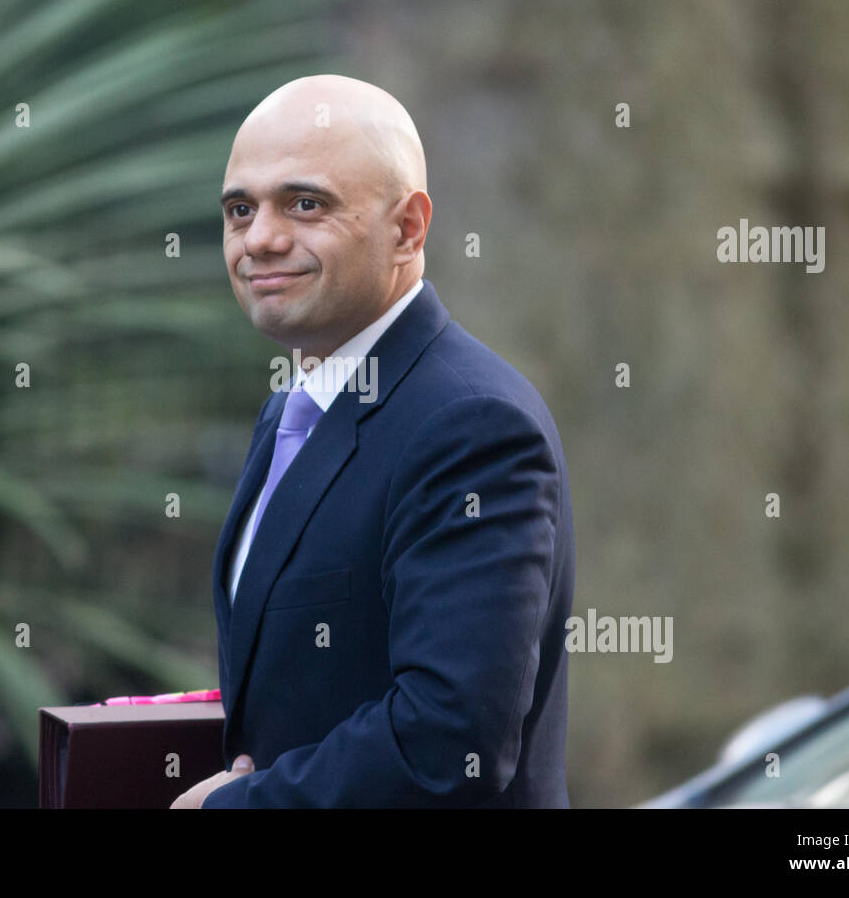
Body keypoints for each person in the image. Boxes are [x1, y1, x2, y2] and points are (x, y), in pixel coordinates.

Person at [170, 74, 575, 808]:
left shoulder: (471, 426)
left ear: (409, 228)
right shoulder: (291, 412)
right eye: (239, 209)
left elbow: (451, 740)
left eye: (305, 203)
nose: (260, 238)